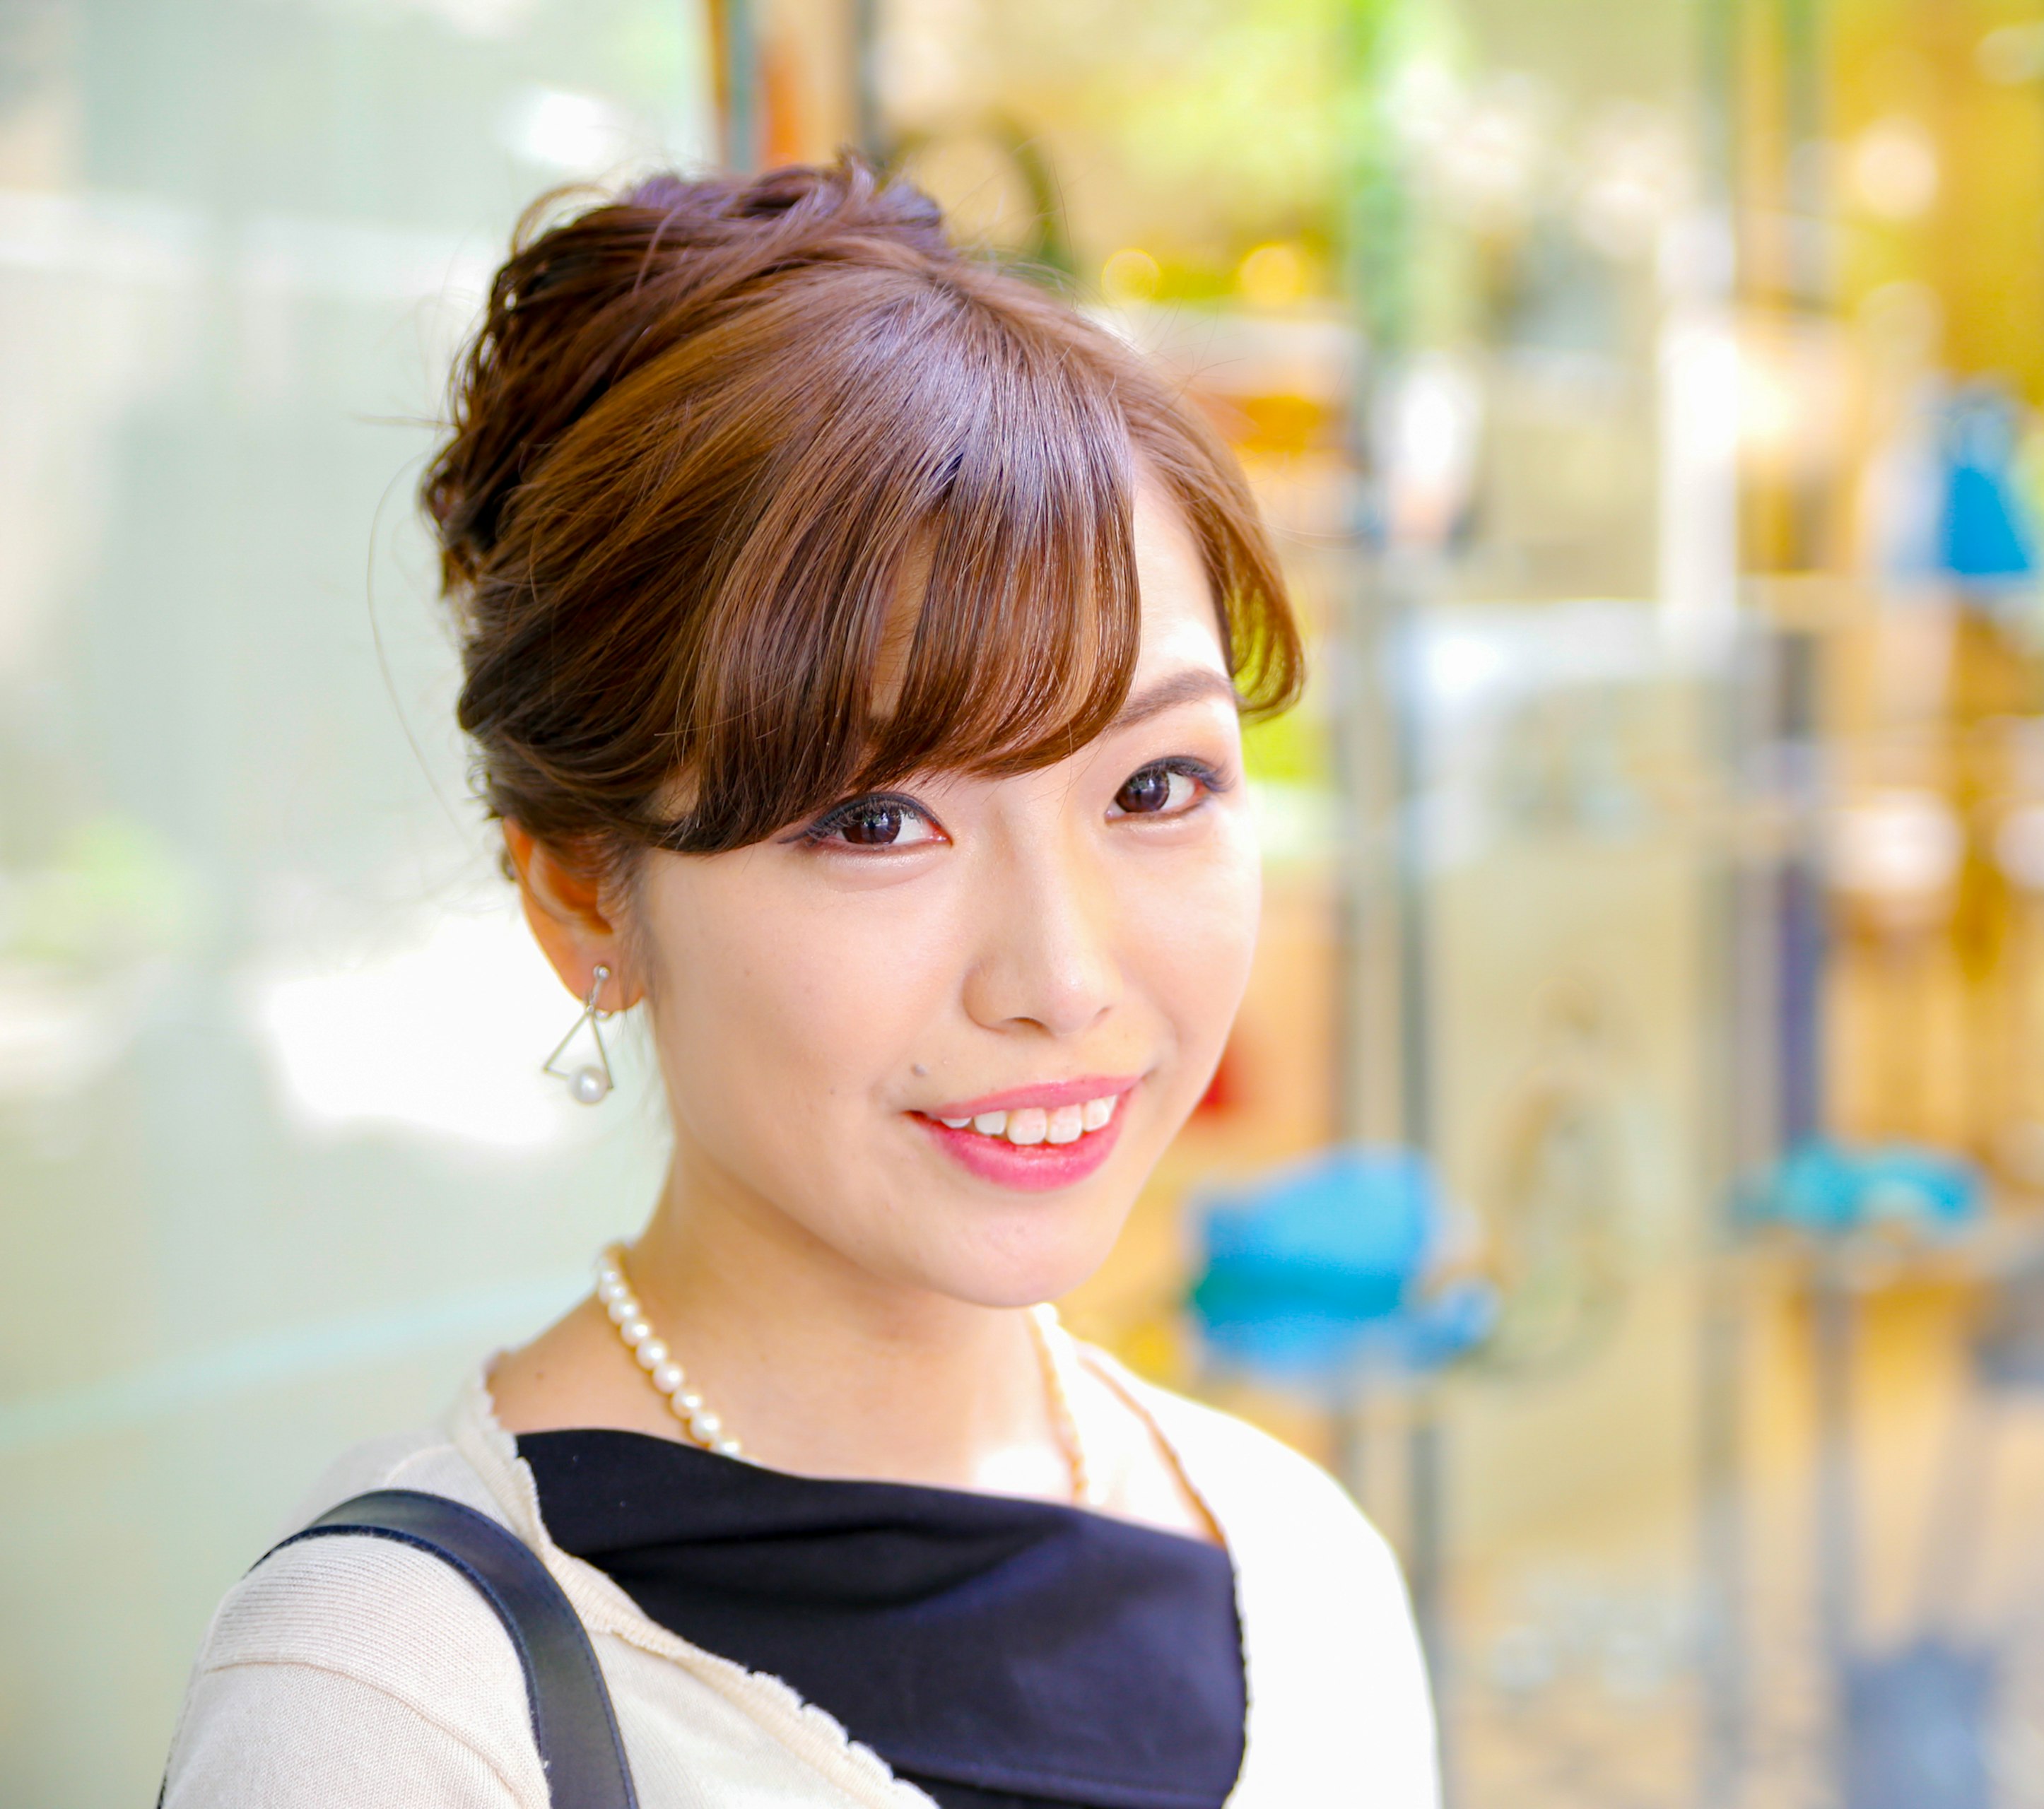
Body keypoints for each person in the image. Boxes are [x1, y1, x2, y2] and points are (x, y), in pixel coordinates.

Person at [159, 160, 1438, 1809]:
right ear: (577, 890)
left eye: (1153, 787)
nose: (1061, 976)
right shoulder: (394, 1702)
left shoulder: (1306, 1574)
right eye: (877, 817)